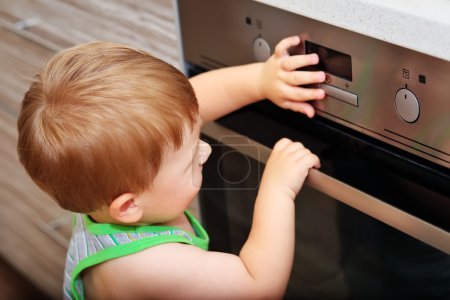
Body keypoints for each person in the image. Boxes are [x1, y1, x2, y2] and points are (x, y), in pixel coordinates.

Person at [17, 35, 325, 300]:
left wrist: (260, 79)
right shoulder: (147, 265)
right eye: (190, 160)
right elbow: (259, 286)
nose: (205, 152)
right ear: (128, 206)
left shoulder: (97, 184)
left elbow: (194, 103)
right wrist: (276, 191)